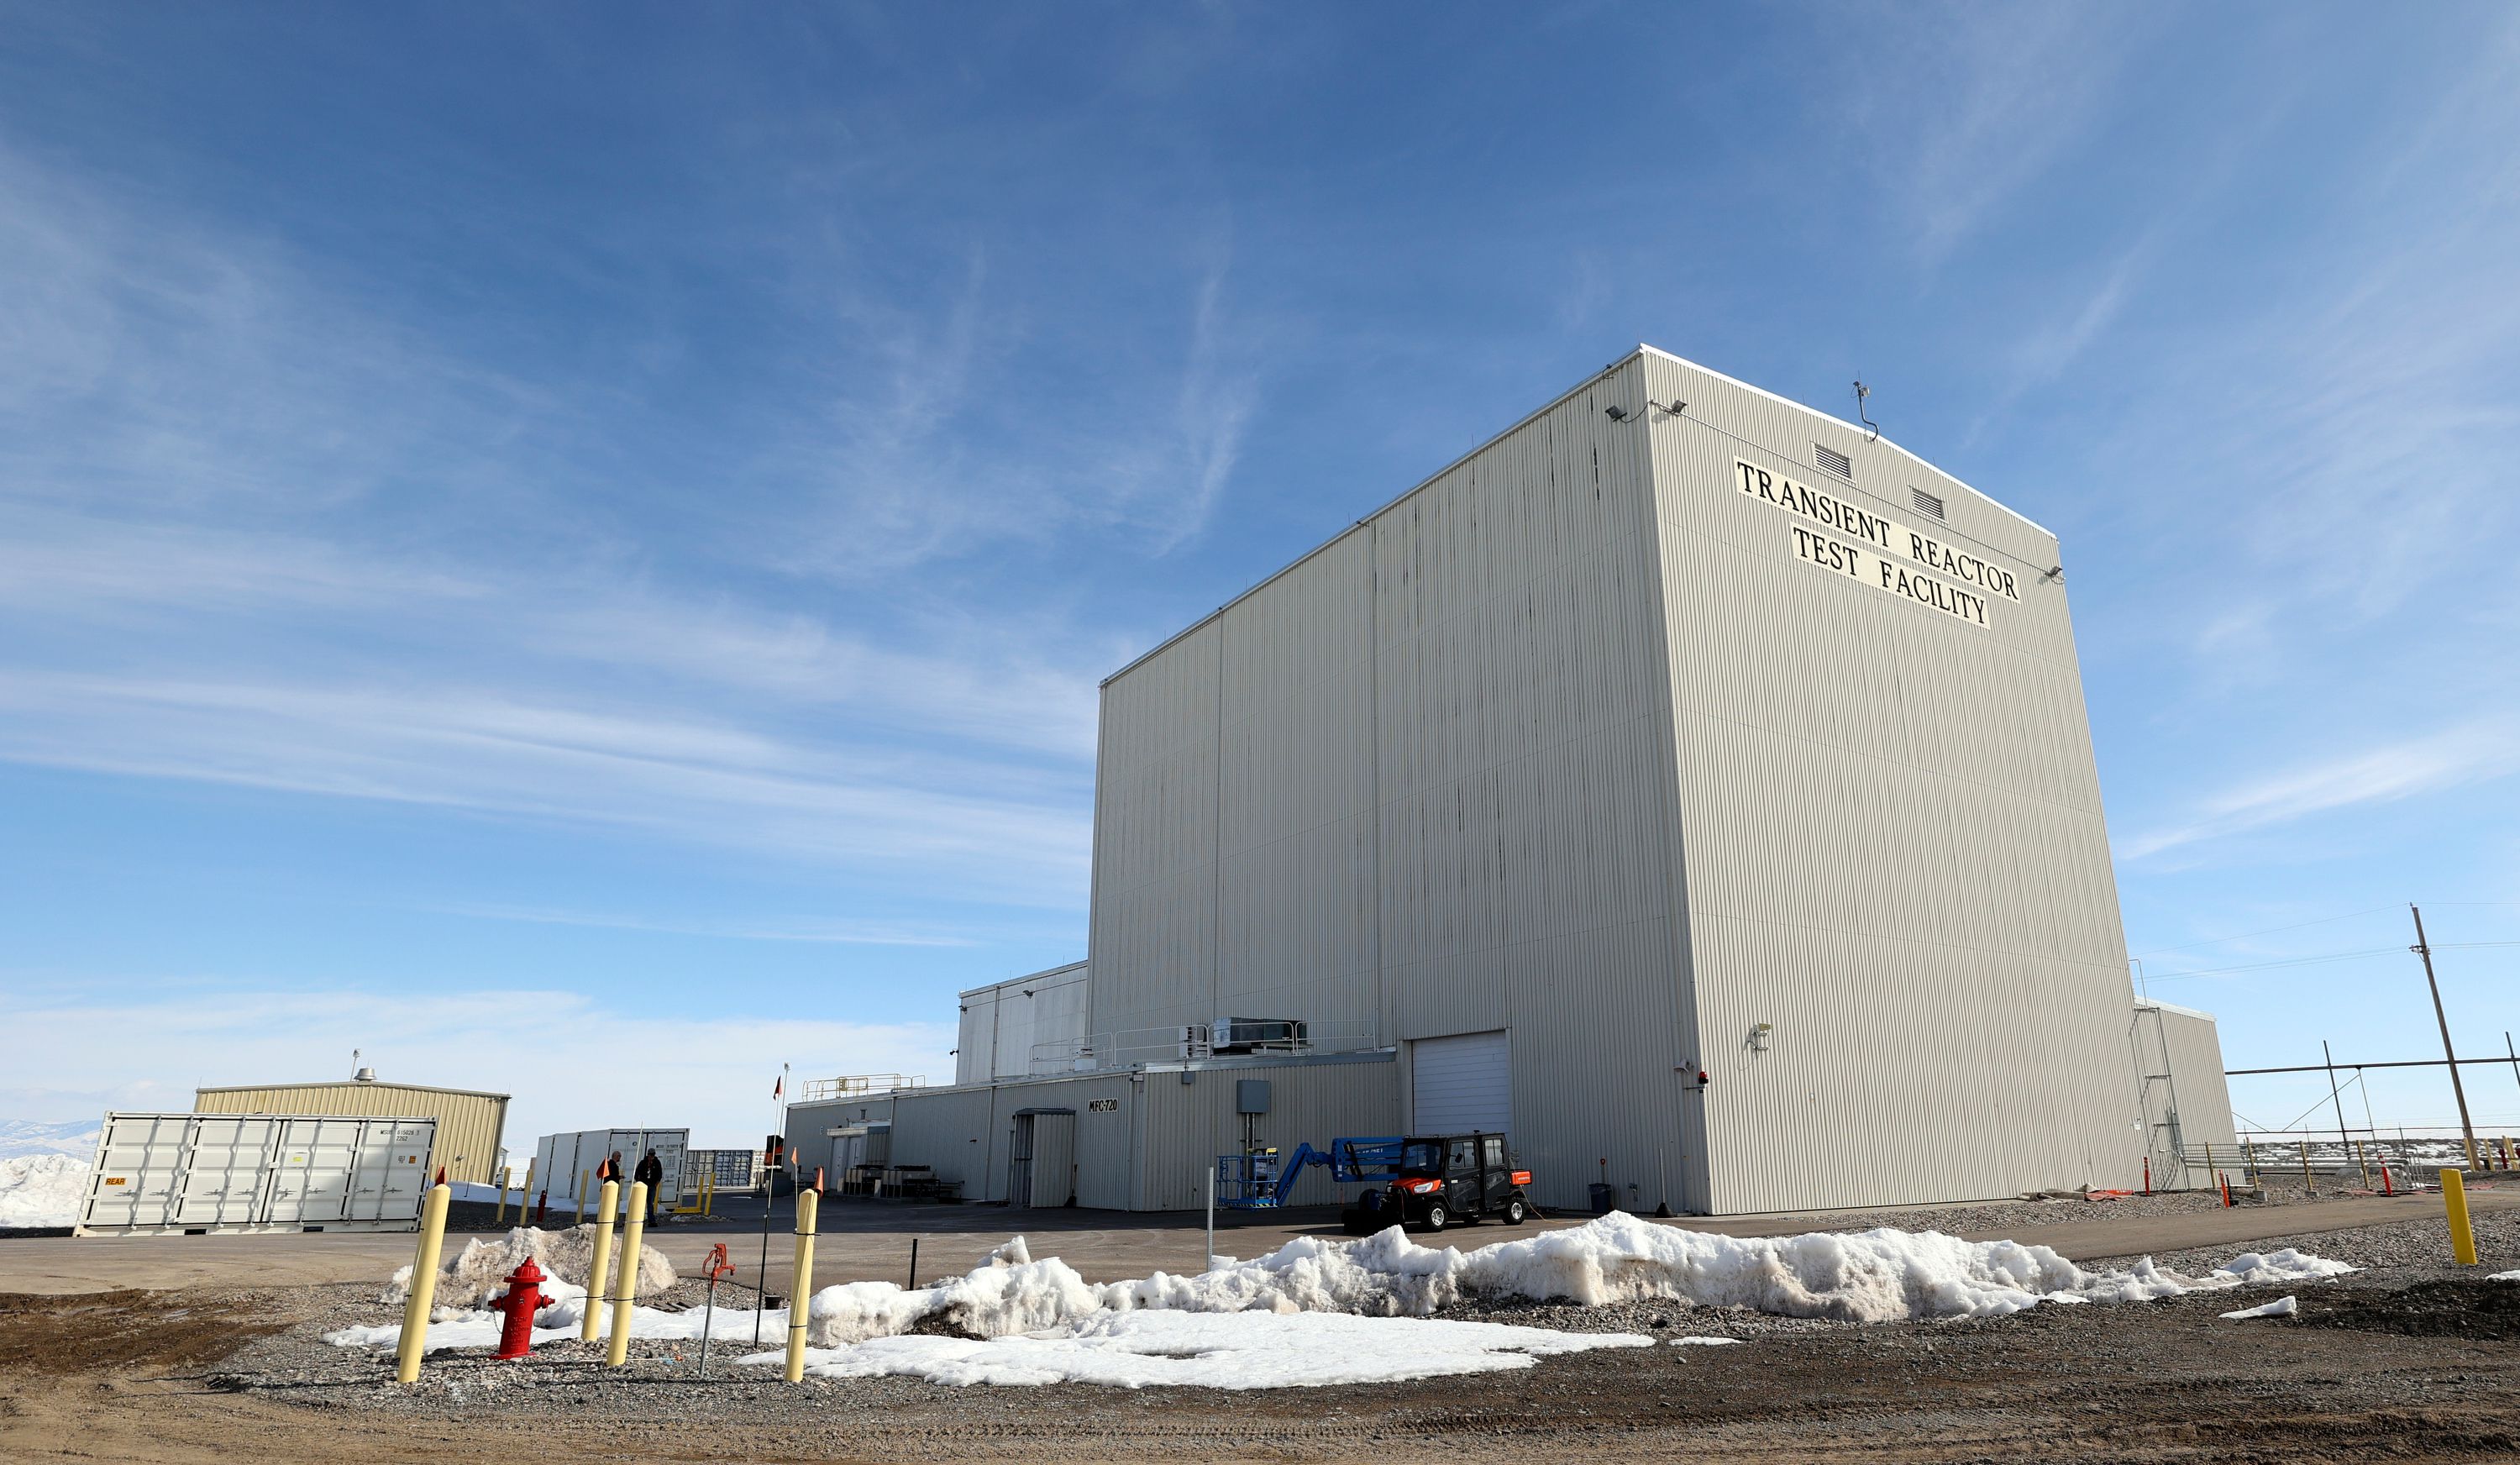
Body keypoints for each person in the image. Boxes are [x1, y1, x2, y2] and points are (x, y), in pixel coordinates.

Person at [635, 1148, 664, 1223]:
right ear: (648, 1155)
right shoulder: (643, 1163)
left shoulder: (657, 1163)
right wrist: (639, 1183)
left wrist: (655, 1184)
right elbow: (637, 1173)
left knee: (650, 1203)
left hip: (651, 1186)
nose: (652, 1156)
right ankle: (639, 1219)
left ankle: (651, 1220)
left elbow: (659, 1174)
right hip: (643, 1185)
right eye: (651, 1155)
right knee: (640, 1202)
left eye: (653, 1155)